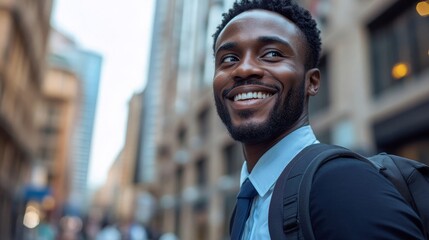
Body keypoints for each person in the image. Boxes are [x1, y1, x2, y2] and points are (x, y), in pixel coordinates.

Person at [211, 0, 426, 239]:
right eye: (229, 59)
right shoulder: (249, 202)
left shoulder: (342, 184)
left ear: (311, 82)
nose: (244, 69)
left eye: (271, 54)